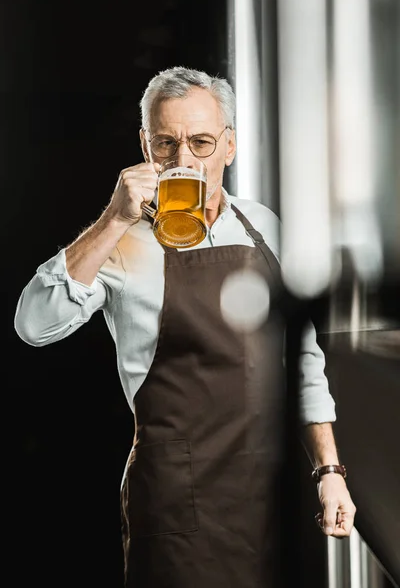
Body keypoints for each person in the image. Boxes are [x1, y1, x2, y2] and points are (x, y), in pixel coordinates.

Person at [14, 66, 356, 587]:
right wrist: (112, 220)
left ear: (230, 146)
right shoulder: (120, 242)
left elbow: (304, 361)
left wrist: (329, 471)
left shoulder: (262, 226)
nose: (184, 161)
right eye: (166, 144)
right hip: (177, 507)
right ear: (145, 147)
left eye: (200, 142)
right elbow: (34, 325)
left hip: (275, 494)